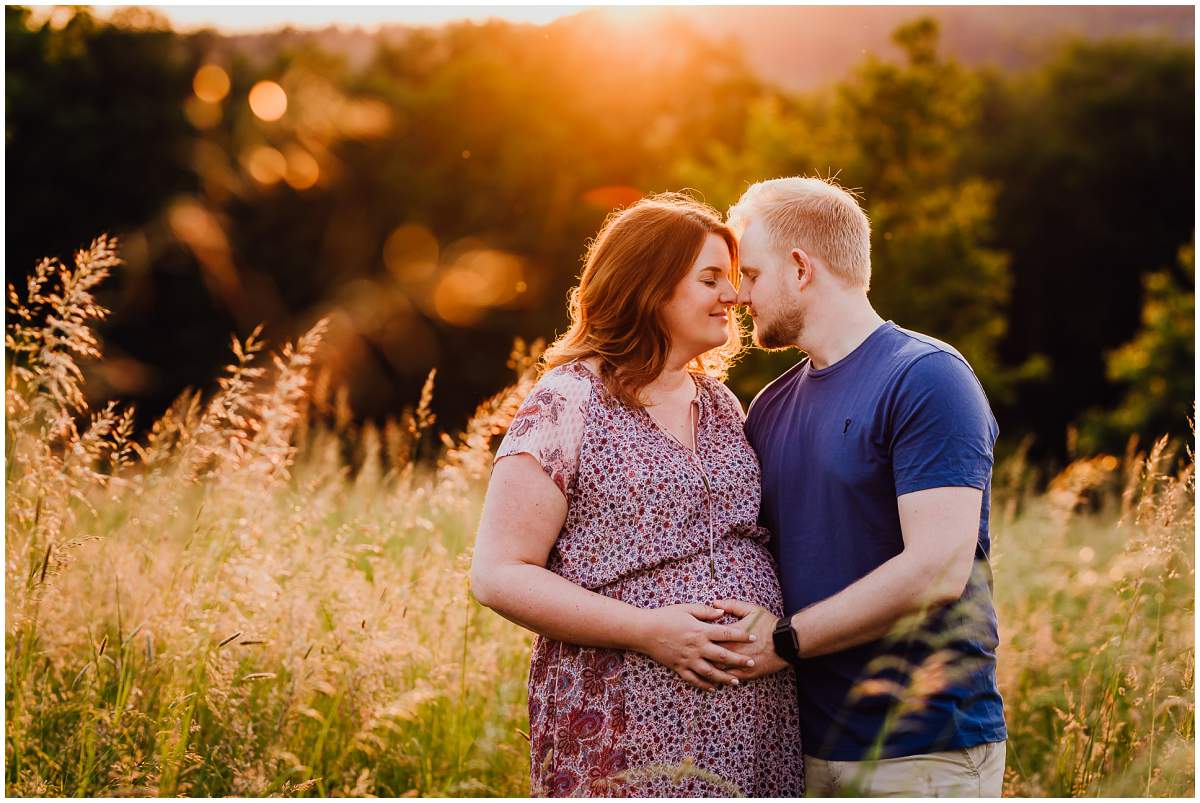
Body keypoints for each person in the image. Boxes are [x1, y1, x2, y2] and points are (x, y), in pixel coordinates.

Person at [470, 193, 803, 797]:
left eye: (731, 279)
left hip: (753, 720)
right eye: (710, 279)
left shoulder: (722, 405)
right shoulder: (568, 402)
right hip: (623, 716)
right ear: (649, 287)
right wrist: (649, 630)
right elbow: (498, 574)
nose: (733, 296)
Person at [713, 176, 1007, 796]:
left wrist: (786, 641)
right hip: (803, 746)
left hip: (921, 749)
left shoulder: (927, 378)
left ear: (800, 269)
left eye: (752, 273)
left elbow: (937, 569)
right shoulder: (767, 406)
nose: (738, 296)